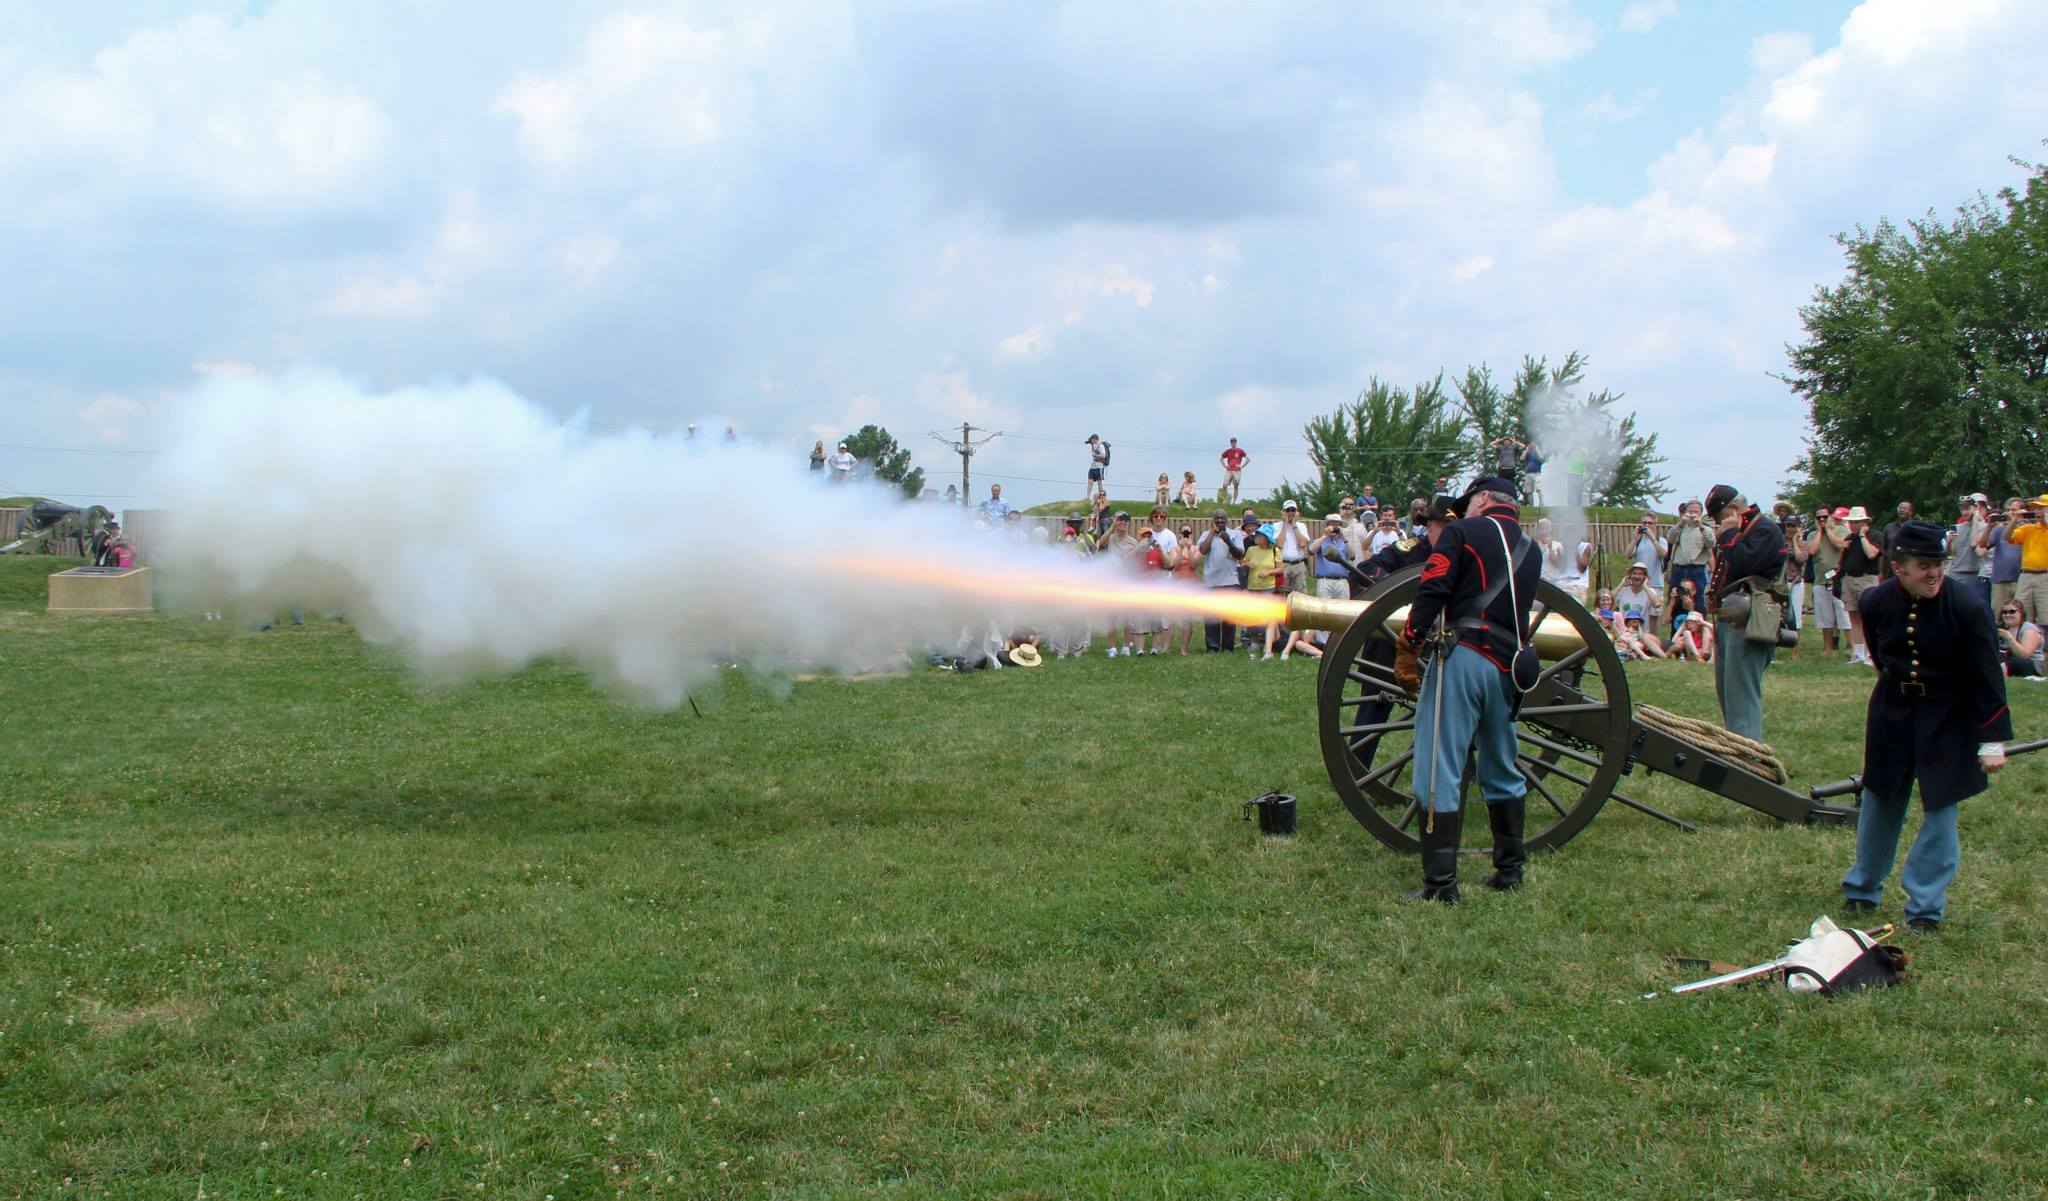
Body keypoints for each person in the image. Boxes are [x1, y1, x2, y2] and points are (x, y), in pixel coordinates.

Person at [1841, 521, 2009, 932]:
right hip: (1893, 710)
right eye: (1923, 565)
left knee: (1940, 809)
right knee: (1880, 798)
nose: (1934, 572)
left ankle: (1925, 907)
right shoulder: (1876, 601)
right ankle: (1862, 889)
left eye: (1938, 563)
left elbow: (1988, 675)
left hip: (1948, 714)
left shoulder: (1967, 607)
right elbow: (1883, 655)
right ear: (1899, 567)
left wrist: (1991, 739)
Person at [1395, 477, 1540, 902]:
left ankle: (1441, 885)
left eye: (1469, 503)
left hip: (1466, 657)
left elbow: (1433, 588)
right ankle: (1510, 870)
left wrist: (1410, 642)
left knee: (1437, 765)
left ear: (1483, 500)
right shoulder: (1533, 549)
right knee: (1500, 760)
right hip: (1509, 667)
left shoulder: (1462, 532)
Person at [1704, 484, 1789, 742]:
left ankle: (1747, 760)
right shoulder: (1743, 530)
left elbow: (1744, 564)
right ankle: (1736, 749)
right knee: (1728, 694)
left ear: (1733, 510)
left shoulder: (1765, 530)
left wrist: (1729, 535)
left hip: (1750, 621)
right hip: (1731, 618)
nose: (1718, 525)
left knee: (1742, 697)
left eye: (1720, 519)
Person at [1198, 509, 1247, 652]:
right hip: (1211, 582)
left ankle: (1227, 647)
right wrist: (1213, 533)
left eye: (1222, 518)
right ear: (1213, 520)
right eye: (1217, 518)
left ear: (1227, 520)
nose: (1220, 521)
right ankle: (1212, 647)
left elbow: (1239, 555)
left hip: (1230, 581)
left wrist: (1228, 541)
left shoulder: (1235, 534)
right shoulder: (1206, 534)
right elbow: (1202, 550)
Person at [1839, 506, 1883, 666]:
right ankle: (1858, 654)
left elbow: (1872, 554)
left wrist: (1863, 536)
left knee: (1868, 617)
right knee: (1854, 616)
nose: (1852, 525)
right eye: (1851, 522)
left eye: (1856, 522)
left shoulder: (1875, 535)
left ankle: (1871, 655)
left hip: (1867, 579)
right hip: (1850, 578)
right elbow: (1842, 562)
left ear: (1864, 522)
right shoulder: (1850, 538)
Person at [1805, 505, 1850, 658]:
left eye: (1825, 516)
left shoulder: (1841, 530)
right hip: (1820, 581)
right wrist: (1819, 531)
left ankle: (1851, 645)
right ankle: (1828, 647)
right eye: (1819, 518)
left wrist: (1829, 529)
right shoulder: (1812, 535)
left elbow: (1840, 544)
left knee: (1844, 615)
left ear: (1831, 516)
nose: (1822, 520)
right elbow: (1812, 551)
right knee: (1825, 618)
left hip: (1839, 580)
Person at [2001, 493, 2048, 629]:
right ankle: (2026, 647)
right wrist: (2014, 522)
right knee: (2022, 616)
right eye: (2035, 508)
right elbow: (2007, 537)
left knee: (2046, 618)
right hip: (2026, 576)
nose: (2037, 511)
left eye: (2041, 508)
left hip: (2045, 577)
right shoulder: (2028, 528)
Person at [1241, 529, 1284, 660]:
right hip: (1252, 587)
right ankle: (1254, 643)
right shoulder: (1251, 550)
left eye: (1260, 535)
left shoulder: (1275, 551)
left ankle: (1268, 644)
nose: (1257, 537)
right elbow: (1242, 564)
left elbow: (1281, 568)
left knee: (1268, 617)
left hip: (1268, 587)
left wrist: (1268, 573)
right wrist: (1247, 564)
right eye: (1257, 535)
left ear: (1267, 539)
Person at [1980, 496, 2025, 614]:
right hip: (2000, 579)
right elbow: (1983, 545)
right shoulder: (1999, 530)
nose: (2011, 513)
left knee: (2021, 614)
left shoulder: (2028, 529)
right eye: (2009, 510)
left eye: (2014, 510)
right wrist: (1989, 527)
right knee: (1999, 615)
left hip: (2020, 580)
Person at [1948, 494, 1990, 607]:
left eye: (1967, 508)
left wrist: (1976, 519)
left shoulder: (1984, 527)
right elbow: (1952, 553)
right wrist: (1949, 542)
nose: (1964, 512)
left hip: (1974, 574)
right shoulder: (1956, 527)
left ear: (1975, 508)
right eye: (1962, 509)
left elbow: (1975, 545)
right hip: (1956, 573)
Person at [1169, 523, 1201, 653]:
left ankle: (1184, 649)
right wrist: (1182, 549)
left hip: (1190, 585)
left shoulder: (1195, 549)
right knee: (1171, 618)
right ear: (1179, 534)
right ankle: (1167, 647)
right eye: (1183, 533)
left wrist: (1189, 548)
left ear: (1192, 535)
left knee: (1187, 618)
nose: (1186, 535)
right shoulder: (1174, 549)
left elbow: (1193, 565)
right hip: (1176, 584)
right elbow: (1174, 565)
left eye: (1188, 532)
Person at [1274, 500, 1311, 596]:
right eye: (1288, 510)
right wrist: (1285, 525)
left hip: (1298, 564)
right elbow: (1279, 545)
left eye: (1293, 510)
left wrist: (1294, 525)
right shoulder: (1276, 526)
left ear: (1296, 512)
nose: (1290, 513)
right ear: (1283, 512)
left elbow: (1302, 544)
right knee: (1282, 593)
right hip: (1283, 564)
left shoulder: (1301, 526)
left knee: (1300, 595)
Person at [1996, 599, 2043, 677]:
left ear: (2021, 613)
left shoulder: (2029, 629)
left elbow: (2025, 655)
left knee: (2018, 661)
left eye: (2012, 611)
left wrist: (2008, 637)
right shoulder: (2001, 627)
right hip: (2008, 660)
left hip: (2029, 665)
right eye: (2004, 612)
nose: (2007, 615)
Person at [1878, 500, 1916, 579]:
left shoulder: (1916, 528)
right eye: (1900, 508)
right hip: (1890, 571)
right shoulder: (1889, 528)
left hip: (1909, 570)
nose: (1902, 510)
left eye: (1905, 508)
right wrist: (1881, 572)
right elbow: (1882, 552)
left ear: (1911, 512)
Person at [1631, 513, 1669, 591]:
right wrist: (1634, 539)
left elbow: (1664, 554)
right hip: (1639, 583)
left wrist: (1653, 539)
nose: (1647, 525)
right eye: (1644, 523)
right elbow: (1628, 555)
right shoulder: (1639, 540)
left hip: (1656, 584)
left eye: (1650, 523)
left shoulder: (1661, 540)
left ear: (1655, 525)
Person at [1531, 517, 1565, 585]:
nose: (1544, 531)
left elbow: (1558, 564)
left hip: (1553, 582)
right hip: (1537, 580)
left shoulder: (1558, 545)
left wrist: (1549, 547)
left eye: (1546, 528)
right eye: (1541, 528)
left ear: (1550, 530)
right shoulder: (1533, 545)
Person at [1219, 438, 1248, 504]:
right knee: (1224, 485)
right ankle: (1225, 500)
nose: (1233, 443)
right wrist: (1225, 466)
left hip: (1237, 470)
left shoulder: (1240, 451)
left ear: (1236, 443)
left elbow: (1248, 459)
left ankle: (1234, 502)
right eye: (1232, 442)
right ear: (1230, 443)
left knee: (1236, 485)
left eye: (1234, 442)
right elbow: (1221, 459)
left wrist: (1241, 466)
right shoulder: (1228, 451)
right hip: (1229, 470)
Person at [1084, 435, 1111, 505]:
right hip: (1093, 466)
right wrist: (1091, 446)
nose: (1091, 441)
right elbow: (1093, 454)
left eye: (1092, 440)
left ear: (1094, 439)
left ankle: (1100, 497)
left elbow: (1103, 455)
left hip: (1099, 466)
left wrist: (1096, 455)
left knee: (1099, 482)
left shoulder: (1101, 446)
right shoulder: (1094, 445)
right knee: (1090, 481)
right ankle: (1087, 497)